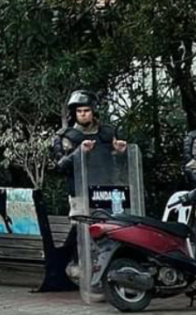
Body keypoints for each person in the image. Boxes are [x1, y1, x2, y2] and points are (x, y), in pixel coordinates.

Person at [52, 90, 128, 301]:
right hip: (80, 193)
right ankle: (85, 278)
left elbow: (120, 163)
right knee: (83, 233)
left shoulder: (108, 133)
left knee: (111, 234)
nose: (83, 114)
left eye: (87, 110)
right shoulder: (66, 137)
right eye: (79, 111)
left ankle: (110, 277)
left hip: (108, 192)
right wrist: (79, 153)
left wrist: (121, 152)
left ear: (94, 112)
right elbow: (60, 166)